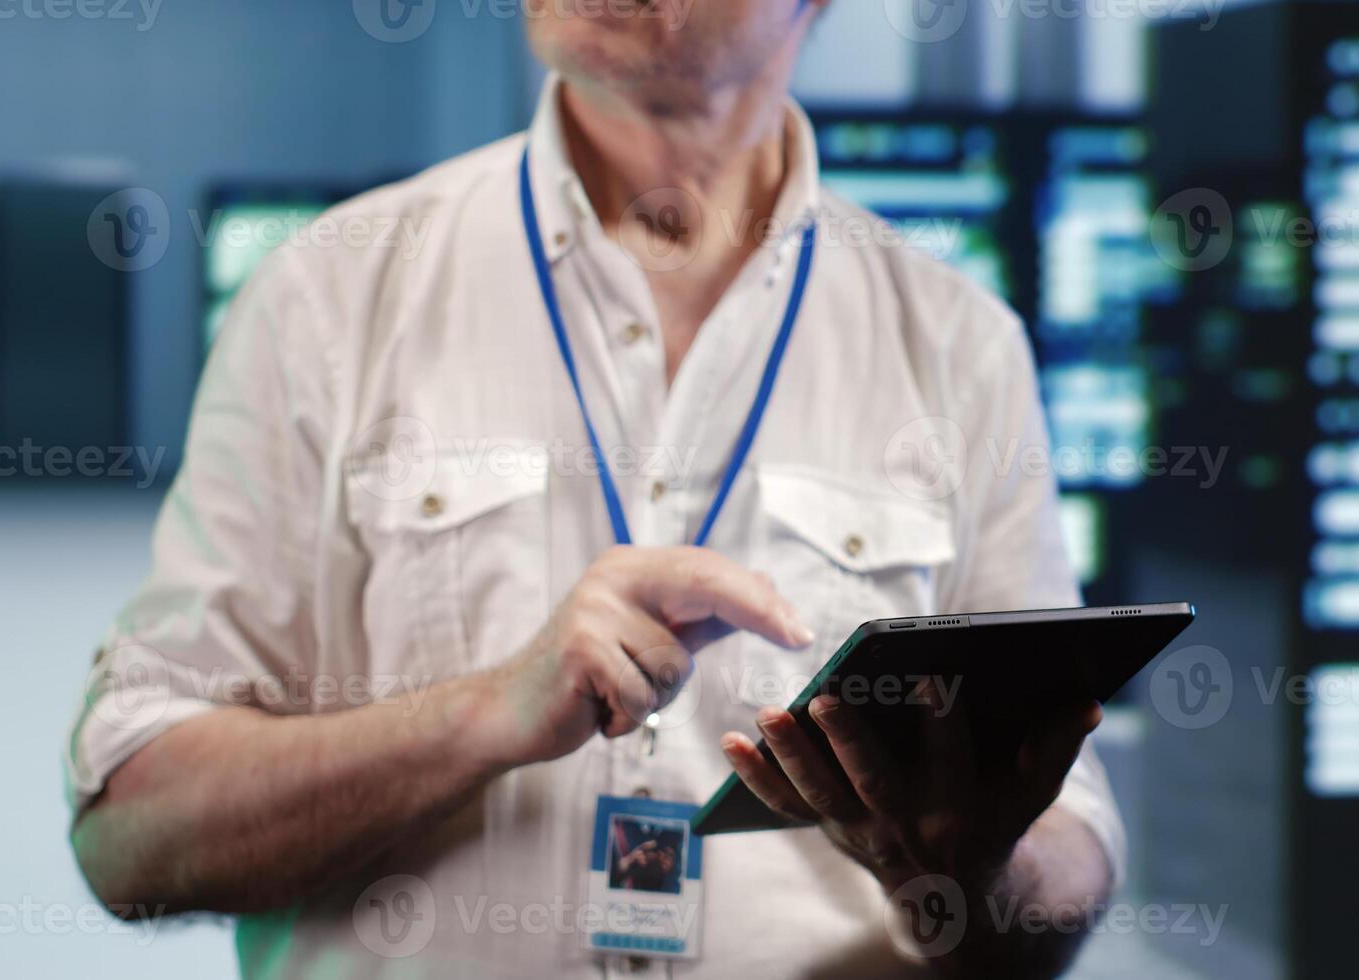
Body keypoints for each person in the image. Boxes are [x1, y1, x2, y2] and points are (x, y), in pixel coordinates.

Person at [66, 1, 1126, 977]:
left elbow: (1065, 850)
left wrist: (973, 871)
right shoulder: (328, 296)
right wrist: (481, 713)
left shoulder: (960, 347)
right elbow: (130, 834)